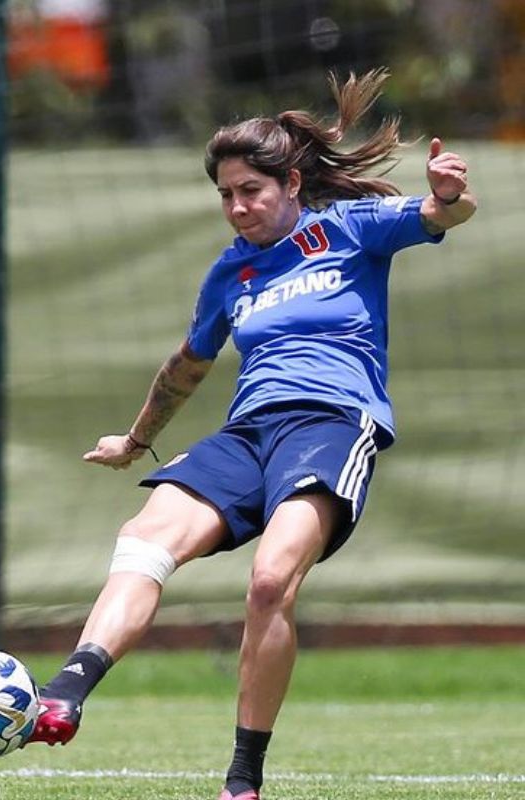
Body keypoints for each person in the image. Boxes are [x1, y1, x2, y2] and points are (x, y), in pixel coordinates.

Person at [25, 70, 476, 800]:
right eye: (225, 196)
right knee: (144, 537)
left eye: (250, 192)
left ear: (292, 183)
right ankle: (66, 689)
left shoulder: (350, 229)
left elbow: (440, 214)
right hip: (249, 431)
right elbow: (186, 366)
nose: (236, 208)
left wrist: (451, 195)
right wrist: (136, 441)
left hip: (332, 423)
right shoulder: (230, 274)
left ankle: (243, 781)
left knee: (270, 581)